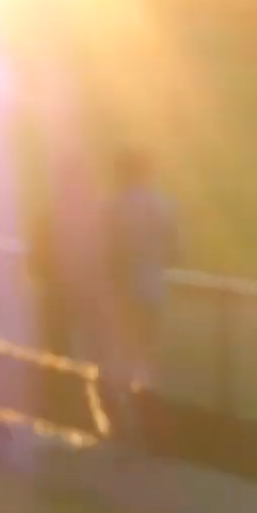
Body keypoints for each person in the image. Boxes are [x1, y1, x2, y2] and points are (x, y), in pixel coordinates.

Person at [102, 147, 178, 433]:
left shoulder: (112, 207)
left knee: (119, 353)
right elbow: (176, 251)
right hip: (151, 291)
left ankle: (117, 416)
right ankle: (147, 416)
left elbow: (105, 251)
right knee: (146, 353)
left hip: (121, 292)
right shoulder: (164, 206)